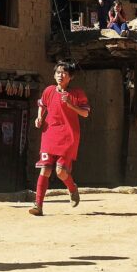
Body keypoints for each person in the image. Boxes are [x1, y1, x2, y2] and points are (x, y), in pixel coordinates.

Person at [30, 61, 90, 216]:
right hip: (49, 133)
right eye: (58, 72)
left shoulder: (77, 94)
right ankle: (38, 205)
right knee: (45, 169)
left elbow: (85, 113)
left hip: (69, 136)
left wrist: (70, 104)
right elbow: (42, 105)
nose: (60, 75)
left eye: (64, 73)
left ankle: (72, 188)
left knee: (61, 171)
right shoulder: (49, 91)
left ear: (71, 77)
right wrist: (39, 118)